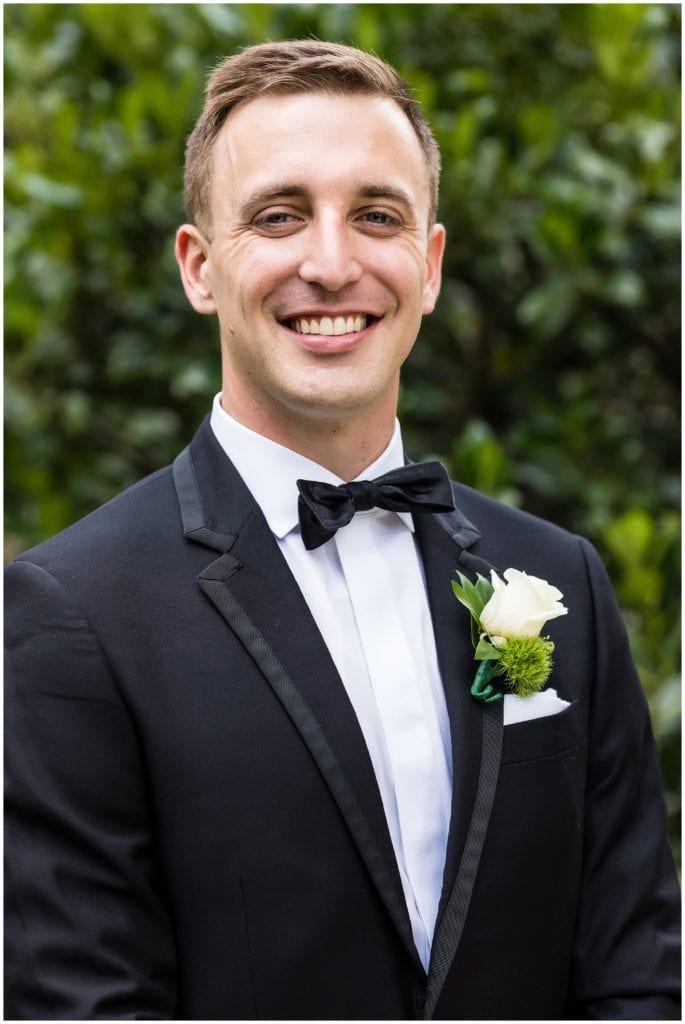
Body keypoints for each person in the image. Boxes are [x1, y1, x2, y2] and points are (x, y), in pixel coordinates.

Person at [4, 39, 680, 1021]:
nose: (331, 264)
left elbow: (638, 975)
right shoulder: (72, 614)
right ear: (199, 268)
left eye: (376, 215)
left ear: (429, 265)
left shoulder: (556, 578)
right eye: (279, 216)